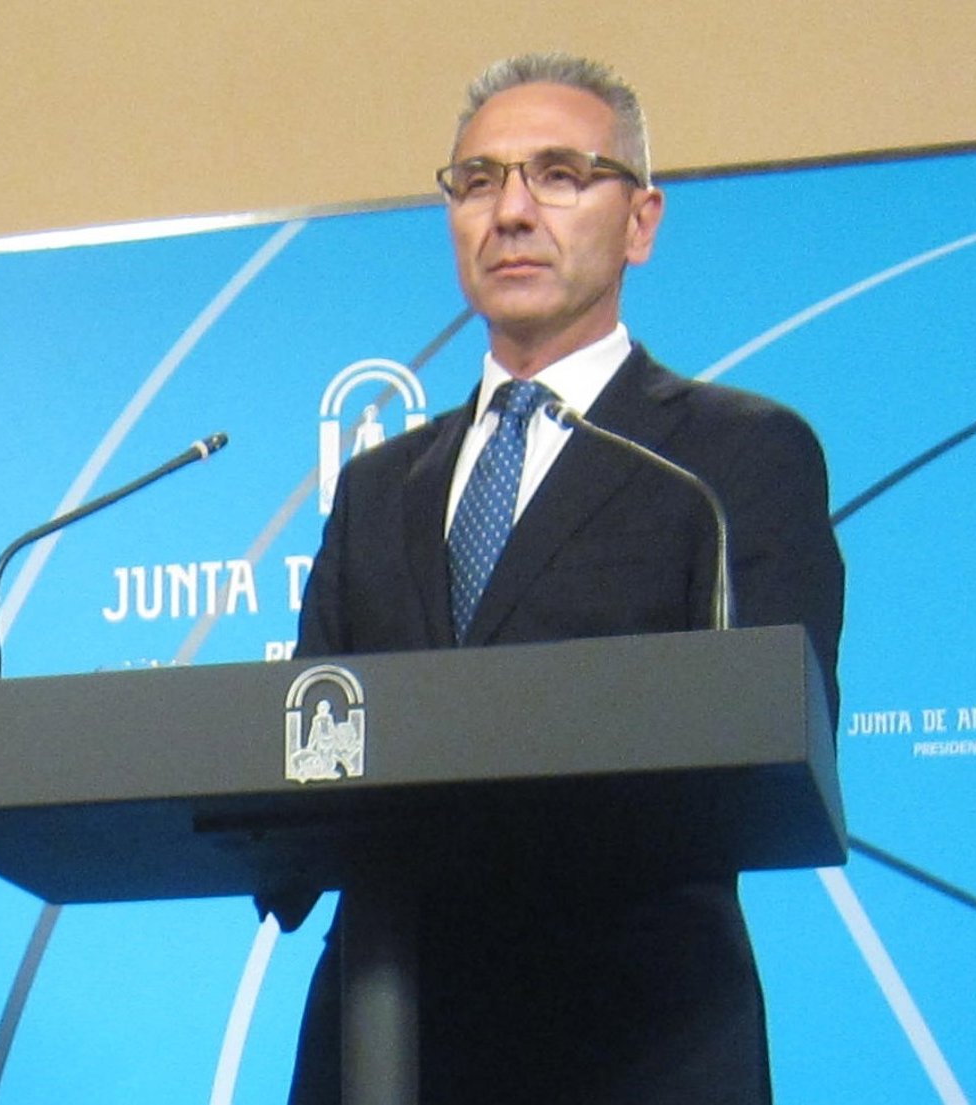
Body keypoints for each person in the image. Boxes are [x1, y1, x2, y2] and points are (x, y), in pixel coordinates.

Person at [287, 51, 844, 1105]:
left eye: (558, 174)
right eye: (478, 181)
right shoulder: (377, 487)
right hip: (386, 1031)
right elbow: (303, 748)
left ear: (640, 221)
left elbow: (770, 748)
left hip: (639, 1037)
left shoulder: (729, 459)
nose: (511, 212)